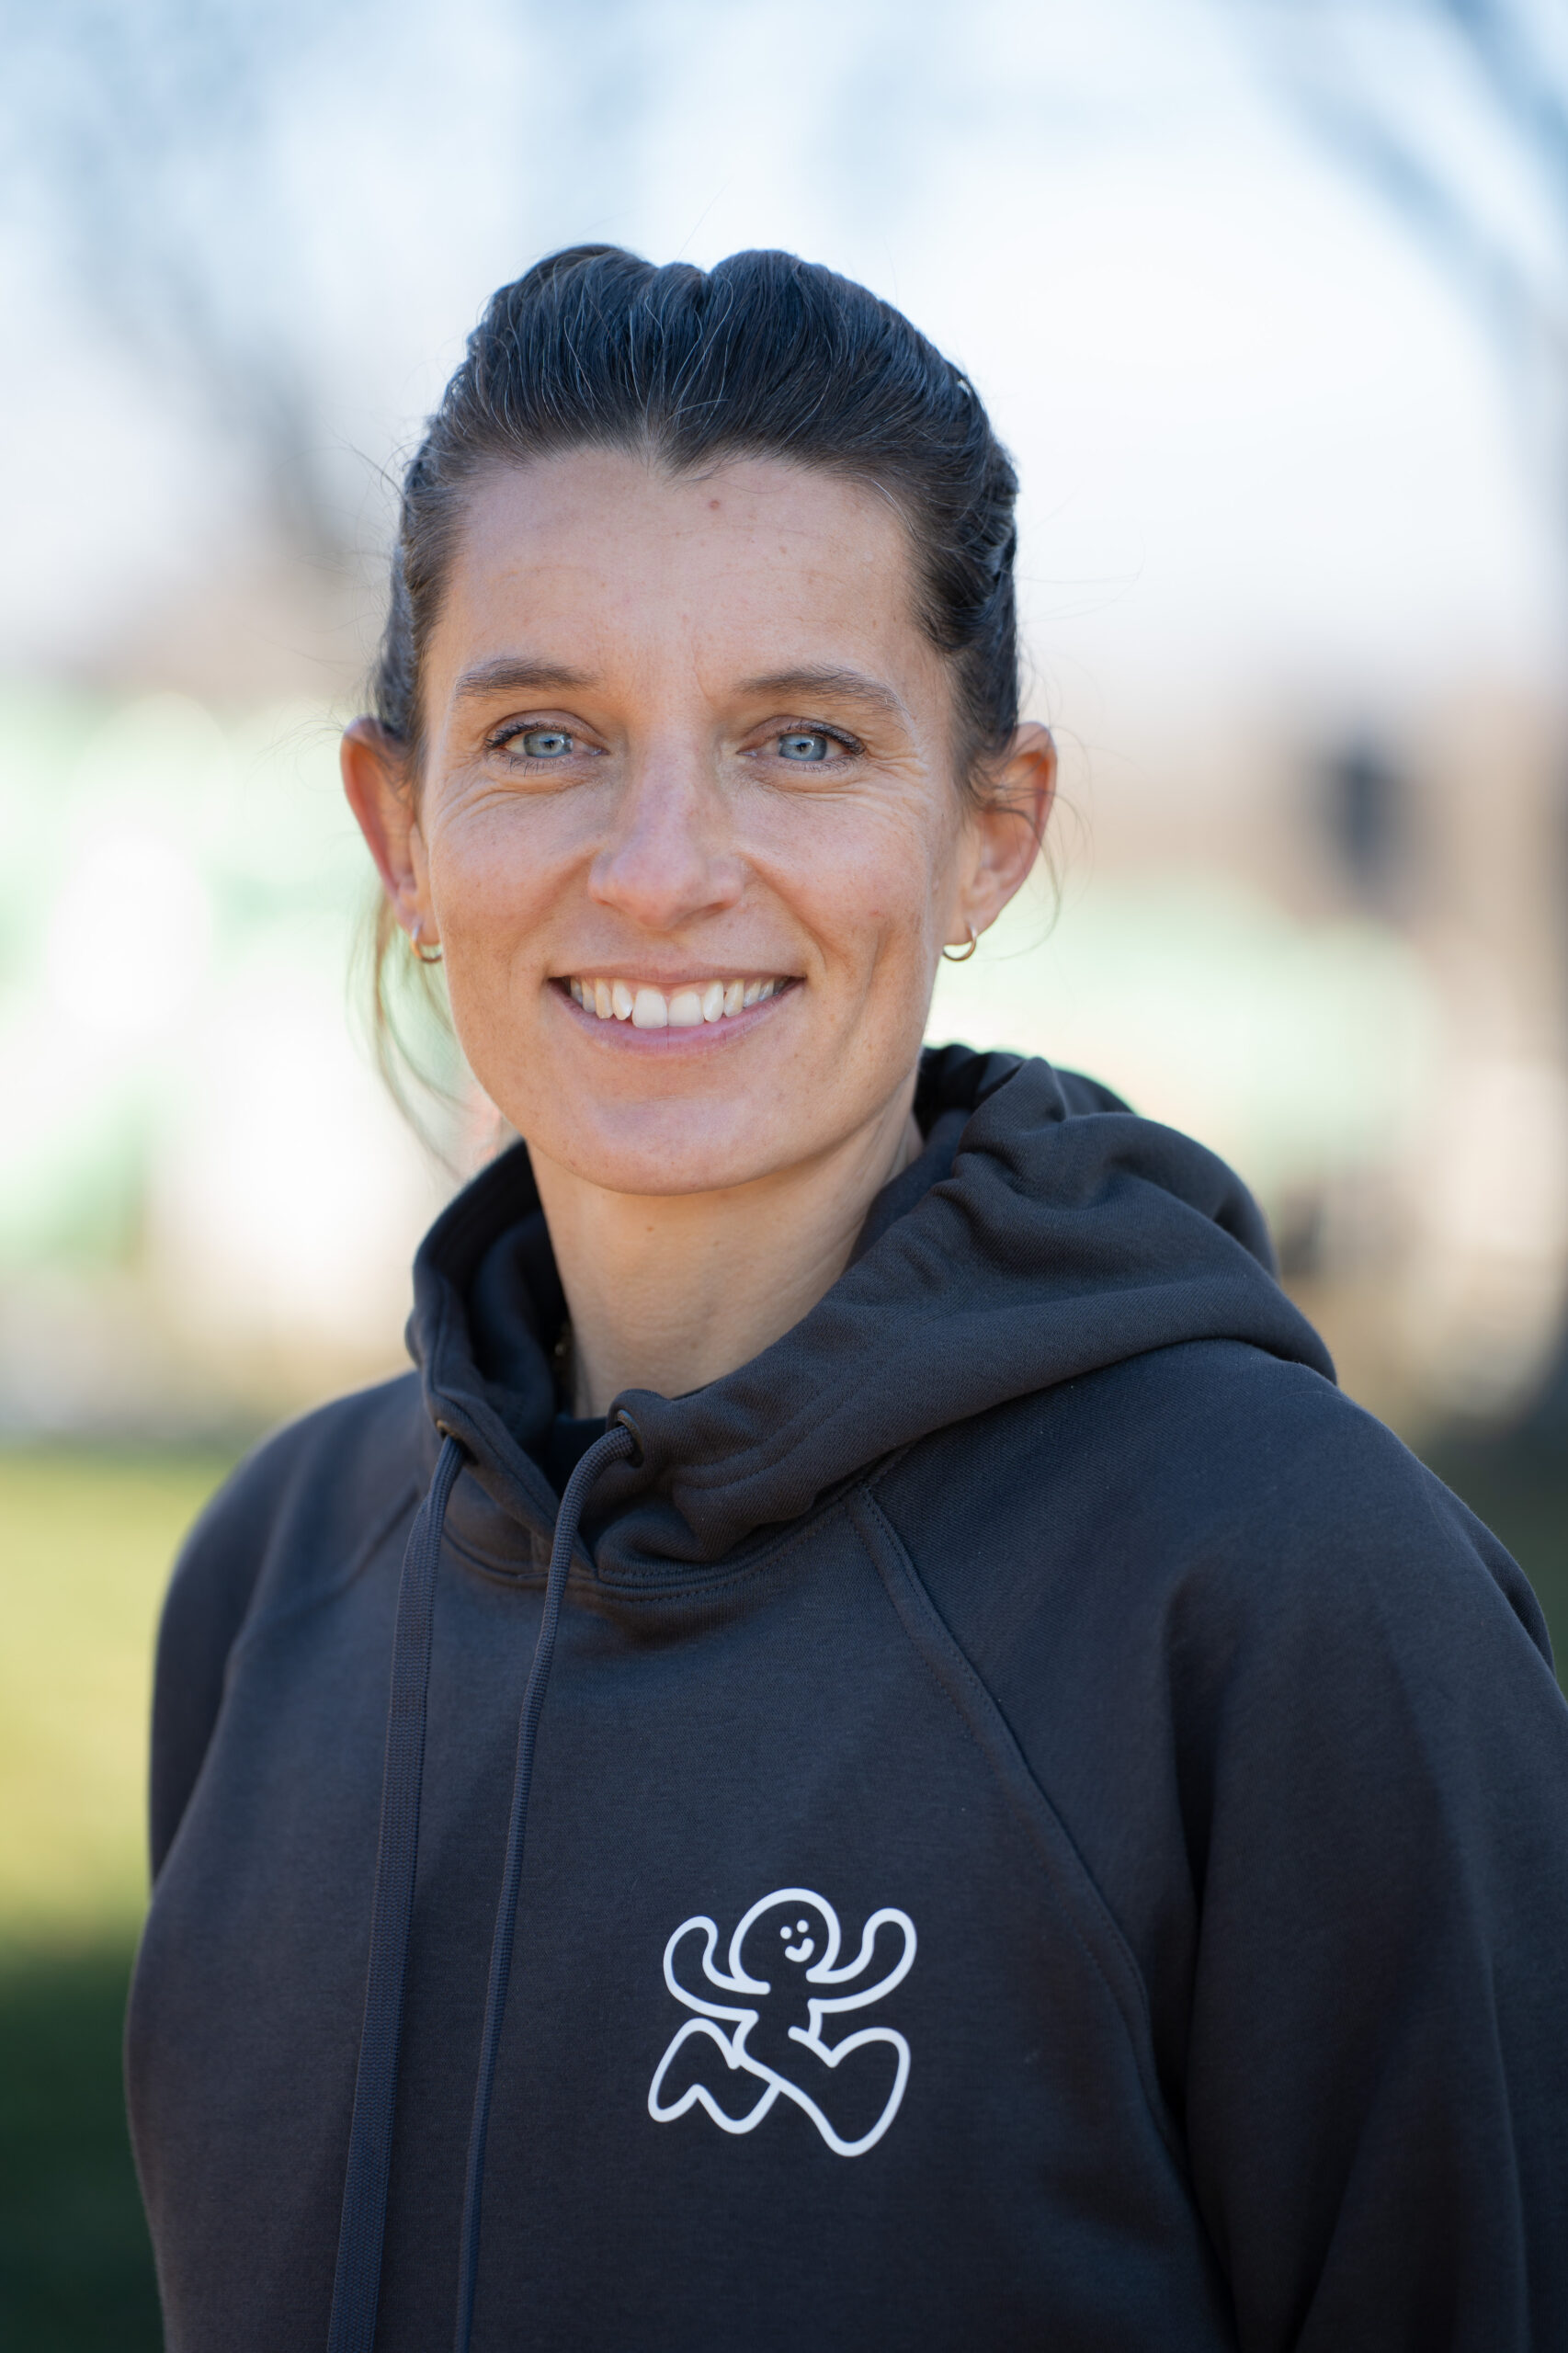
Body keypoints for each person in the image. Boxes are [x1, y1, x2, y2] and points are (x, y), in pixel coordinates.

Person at [126, 246, 1568, 2353]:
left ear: (988, 833)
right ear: (401, 830)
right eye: (543, 734)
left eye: (800, 739)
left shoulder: (1289, 1594)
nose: (659, 867)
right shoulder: (270, 1582)